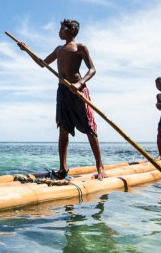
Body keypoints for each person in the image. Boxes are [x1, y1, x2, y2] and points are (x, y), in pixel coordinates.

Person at [18, 19, 106, 180]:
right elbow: (42, 63)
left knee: (89, 128)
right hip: (63, 92)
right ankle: (62, 169)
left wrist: (80, 83)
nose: (59, 31)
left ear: (72, 30)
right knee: (63, 129)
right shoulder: (58, 49)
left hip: (77, 91)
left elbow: (92, 69)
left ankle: (100, 167)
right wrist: (27, 50)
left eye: (62, 29)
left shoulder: (80, 47)